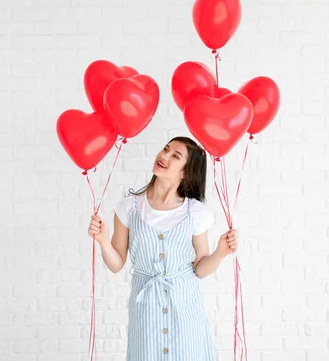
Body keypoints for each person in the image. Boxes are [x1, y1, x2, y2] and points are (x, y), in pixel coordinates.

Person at [88, 136, 238, 360]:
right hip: (146, 307)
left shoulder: (194, 212)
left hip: (185, 306)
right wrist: (102, 240)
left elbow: (200, 267)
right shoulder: (129, 207)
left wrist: (221, 252)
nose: (164, 156)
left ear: (185, 172)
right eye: (165, 149)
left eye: (175, 156)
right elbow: (116, 263)